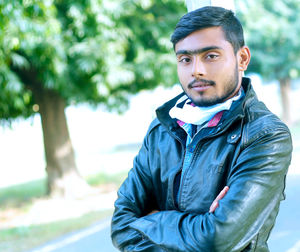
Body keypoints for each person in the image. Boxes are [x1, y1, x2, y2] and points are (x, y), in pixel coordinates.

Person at [111, 6, 293, 252]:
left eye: (211, 56)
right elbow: (121, 226)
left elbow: (217, 239)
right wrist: (200, 226)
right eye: (185, 59)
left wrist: (151, 219)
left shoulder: (265, 135)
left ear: (242, 59)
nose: (196, 69)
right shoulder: (162, 129)